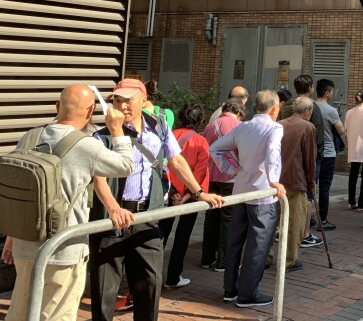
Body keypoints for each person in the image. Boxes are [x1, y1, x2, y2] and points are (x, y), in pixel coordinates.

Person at [88, 79, 223, 321]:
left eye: (128, 100)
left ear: (143, 99)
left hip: (147, 216)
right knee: (105, 291)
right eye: (117, 101)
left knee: (149, 284)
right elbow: (98, 180)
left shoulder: (159, 127)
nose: (122, 106)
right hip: (112, 220)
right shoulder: (102, 136)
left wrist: (199, 192)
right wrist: (113, 208)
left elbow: (177, 161)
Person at [2, 85, 134, 321]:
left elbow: (21, 191)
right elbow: (126, 166)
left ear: (56, 106)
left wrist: (12, 236)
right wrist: (116, 130)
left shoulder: (30, 136)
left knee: (20, 311)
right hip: (64, 249)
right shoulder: (87, 145)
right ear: (91, 110)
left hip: (24, 244)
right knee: (56, 314)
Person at [209, 90, 285, 308]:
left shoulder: (243, 127)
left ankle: (230, 289)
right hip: (261, 195)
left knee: (235, 242)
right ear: (273, 108)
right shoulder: (274, 127)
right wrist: (274, 180)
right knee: (257, 246)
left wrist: (231, 169)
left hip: (240, 191)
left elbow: (215, 148)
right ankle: (247, 293)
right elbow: (272, 152)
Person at [159, 103, 211, 290]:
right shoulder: (201, 141)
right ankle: (173, 277)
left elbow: (163, 165)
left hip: (168, 194)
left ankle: (152, 274)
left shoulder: (169, 135)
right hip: (191, 196)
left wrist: (173, 194)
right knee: (183, 236)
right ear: (199, 121)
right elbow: (200, 173)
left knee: (160, 236)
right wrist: (188, 195)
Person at [201, 99, 245, 272]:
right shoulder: (239, 126)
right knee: (228, 219)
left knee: (211, 217)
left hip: (211, 176)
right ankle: (223, 261)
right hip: (230, 177)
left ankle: (206, 258)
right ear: (239, 112)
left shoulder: (210, 126)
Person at [276, 97, 318, 272]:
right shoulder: (308, 127)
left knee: (272, 220)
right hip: (295, 180)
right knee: (293, 222)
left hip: (275, 180)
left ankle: (266, 256)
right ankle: (288, 259)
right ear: (307, 111)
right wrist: (311, 182)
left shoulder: (279, 124)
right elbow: (310, 158)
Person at [291, 75, 324, 247]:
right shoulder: (312, 107)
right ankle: (305, 234)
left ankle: (283, 231)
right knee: (308, 195)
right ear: (310, 87)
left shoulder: (288, 105)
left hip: (287, 158)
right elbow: (316, 136)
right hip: (308, 158)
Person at [314, 78, 344, 231]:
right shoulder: (330, 111)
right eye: (331, 91)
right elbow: (341, 130)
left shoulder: (310, 107)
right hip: (328, 152)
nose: (332, 93)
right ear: (327, 93)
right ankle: (323, 219)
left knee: (312, 186)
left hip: (312, 153)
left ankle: (310, 217)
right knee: (325, 186)